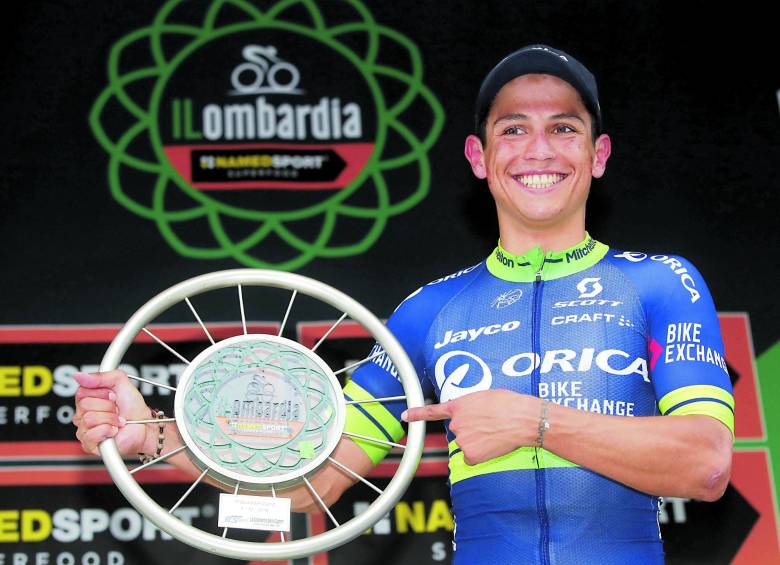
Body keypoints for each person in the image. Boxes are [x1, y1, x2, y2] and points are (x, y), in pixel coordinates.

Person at [75, 44, 734, 564]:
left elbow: (705, 463)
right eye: (513, 129)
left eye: (564, 127)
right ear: (479, 157)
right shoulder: (429, 311)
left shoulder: (660, 282)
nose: (538, 150)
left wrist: (533, 421)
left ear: (599, 154)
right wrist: (154, 437)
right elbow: (314, 484)